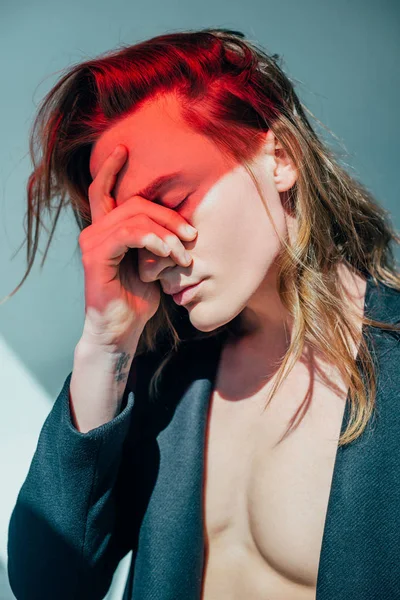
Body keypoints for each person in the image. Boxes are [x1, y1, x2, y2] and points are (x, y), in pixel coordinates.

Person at [6, 28, 400, 600]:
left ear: (280, 158)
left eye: (171, 202)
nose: (156, 251)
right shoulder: (161, 379)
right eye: (132, 230)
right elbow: (49, 586)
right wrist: (105, 346)